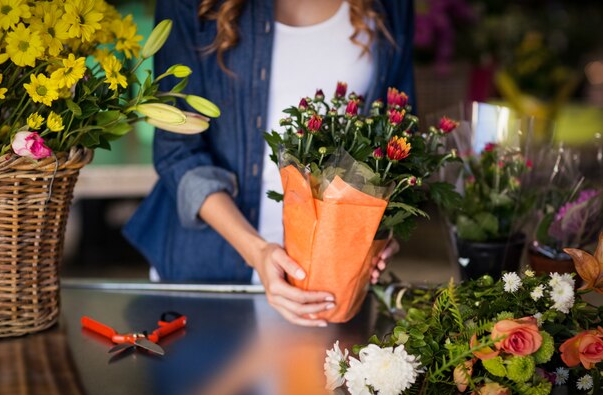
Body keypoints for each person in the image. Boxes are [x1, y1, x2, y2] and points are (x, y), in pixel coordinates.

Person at [124, 0, 415, 326]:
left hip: (334, 280)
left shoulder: (390, 6)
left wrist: (380, 231)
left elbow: (398, 132)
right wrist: (258, 252)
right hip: (209, 270)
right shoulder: (193, 6)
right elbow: (177, 150)